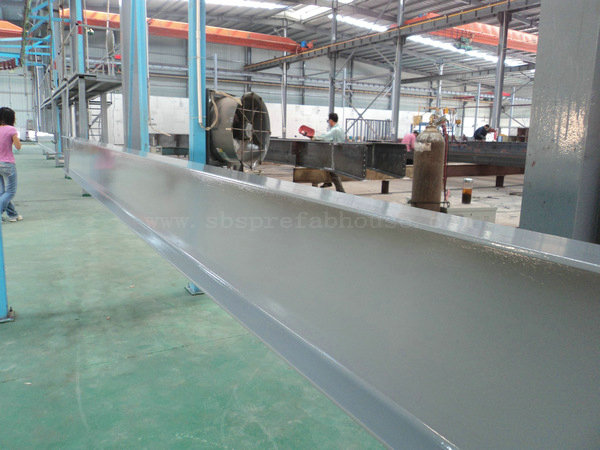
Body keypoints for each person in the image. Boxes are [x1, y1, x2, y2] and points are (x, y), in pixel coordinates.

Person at [311, 112, 345, 191]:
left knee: (333, 171)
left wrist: (314, 137)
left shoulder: (335, 130)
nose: (328, 122)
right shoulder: (340, 128)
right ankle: (327, 182)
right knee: (329, 168)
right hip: (338, 152)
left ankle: (341, 190)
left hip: (334, 153)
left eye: (328, 121)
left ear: (331, 120)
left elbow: (325, 137)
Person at [0, 107, 22, 222]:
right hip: (7, 164)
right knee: (10, 192)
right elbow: (18, 147)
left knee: (2, 192)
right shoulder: (11, 129)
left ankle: (13, 215)